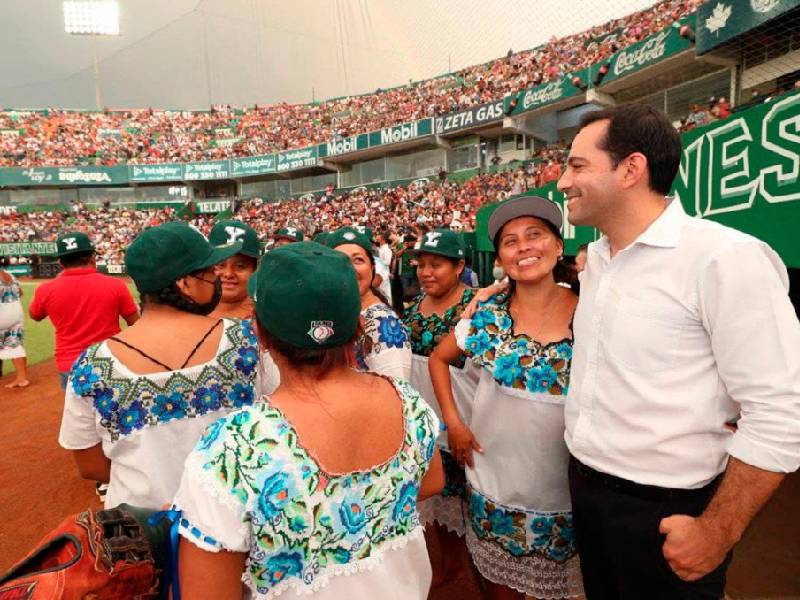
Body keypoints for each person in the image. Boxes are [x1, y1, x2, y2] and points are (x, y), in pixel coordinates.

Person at [557, 103, 800, 599]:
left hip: (669, 509)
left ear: (631, 168)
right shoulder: (598, 259)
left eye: (577, 165)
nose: (562, 181)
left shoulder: (724, 259)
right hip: (587, 493)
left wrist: (719, 530)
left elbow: (780, 410)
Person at [172, 242, 445, 599]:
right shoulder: (406, 400)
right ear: (359, 324)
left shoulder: (232, 446)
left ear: (258, 330)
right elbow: (432, 481)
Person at [429, 195, 582, 600]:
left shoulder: (591, 310)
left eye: (536, 235)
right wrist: (454, 423)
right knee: (502, 591)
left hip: (567, 483)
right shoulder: (486, 314)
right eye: (510, 241)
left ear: (558, 244)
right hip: (494, 477)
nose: (524, 247)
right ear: (500, 258)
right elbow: (439, 360)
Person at [58, 222, 258, 509]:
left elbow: (91, 466)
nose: (217, 276)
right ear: (184, 282)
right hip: (231, 521)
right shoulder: (246, 341)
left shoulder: (91, 366)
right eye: (208, 270)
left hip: (140, 532)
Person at [401, 229, 477, 587]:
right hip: (428, 428)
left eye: (437, 265)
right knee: (438, 510)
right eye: (422, 265)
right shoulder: (414, 306)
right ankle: (449, 569)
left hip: (465, 425)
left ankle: (464, 574)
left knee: (471, 511)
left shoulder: (477, 305)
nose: (426, 272)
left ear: (460, 266)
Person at [29, 232, 139, 389]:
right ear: (92, 257)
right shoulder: (116, 285)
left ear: (60, 262)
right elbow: (135, 324)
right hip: (110, 359)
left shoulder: (46, 289)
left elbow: (35, 315)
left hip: (70, 363)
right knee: (116, 412)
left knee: (78, 413)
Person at [326, 227, 412, 380]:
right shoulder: (333, 311)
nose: (349, 268)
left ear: (372, 269)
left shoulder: (384, 324)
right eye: (338, 260)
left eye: (358, 260)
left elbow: (396, 396)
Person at [207, 219, 260, 320]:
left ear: (254, 270)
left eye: (240, 266)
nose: (228, 274)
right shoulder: (184, 308)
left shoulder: (266, 319)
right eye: (220, 264)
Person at [0, 259, 28, 388]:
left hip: (2, 312)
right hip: (16, 311)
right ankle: (22, 378)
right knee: (15, 344)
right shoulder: (9, 275)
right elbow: (20, 292)